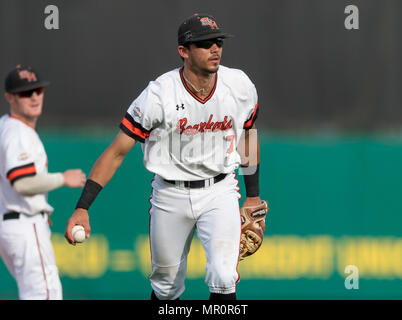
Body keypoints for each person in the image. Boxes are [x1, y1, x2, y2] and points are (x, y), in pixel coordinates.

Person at [64, 13, 265, 300]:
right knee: (166, 287)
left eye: (218, 41)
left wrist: (254, 196)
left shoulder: (239, 85)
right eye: (205, 43)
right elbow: (117, 151)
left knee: (223, 277)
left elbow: (248, 134)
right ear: (183, 51)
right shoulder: (159, 95)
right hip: (170, 194)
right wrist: (83, 207)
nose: (215, 48)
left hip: (220, 189)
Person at [0, 65, 86, 300]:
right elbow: (21, 183)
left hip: (13, 224)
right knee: (44, 295)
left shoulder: (5, 127)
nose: (35, 97)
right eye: (25, 92)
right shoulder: (18, 133)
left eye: (38, 90)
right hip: (25, 227)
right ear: (10, 97)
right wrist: (62, 178)